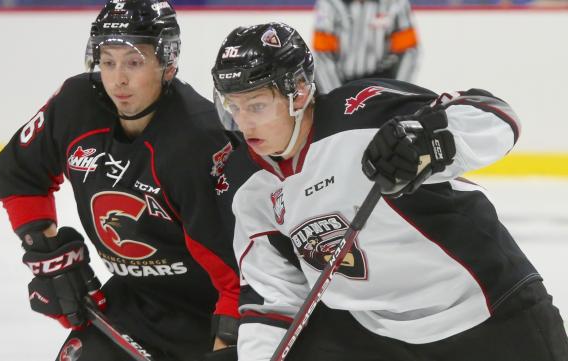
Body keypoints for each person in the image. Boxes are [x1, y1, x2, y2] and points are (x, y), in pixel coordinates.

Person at [211, 22, 568, 361]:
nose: (243, 123)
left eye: (256, 105)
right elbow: (274, 295)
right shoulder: (246, 182)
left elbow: (497, 117)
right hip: (376, 338)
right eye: (233, 106)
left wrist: (430, 142)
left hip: (490, 310)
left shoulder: (364, 113)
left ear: (299, 92)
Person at [0, 1, 240, 360]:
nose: (118, 79)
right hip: (131, 304)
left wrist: (226, 347)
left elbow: (236, 277)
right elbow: (18, 173)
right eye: (108, 61)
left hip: (206, 315)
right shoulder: (77, 105)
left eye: (134, 62)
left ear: (167, 64)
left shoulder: (196, 141)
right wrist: (48, 255)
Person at [312, 0, 420, 94]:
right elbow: (322, 56)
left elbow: (408, 52)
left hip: (383, 83)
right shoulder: (330, 3)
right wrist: (335, 97)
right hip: (342, 82)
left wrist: (398, 92)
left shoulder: (395, 3)